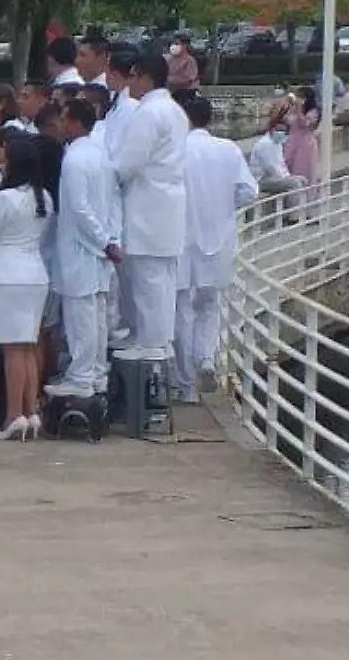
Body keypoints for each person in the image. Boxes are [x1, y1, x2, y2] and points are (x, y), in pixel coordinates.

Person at [173, 96, 257, 402]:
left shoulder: (175, 151)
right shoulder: (228, 150)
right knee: (209, 304)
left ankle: (185, 385)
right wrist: (224, 205)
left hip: (181, 238)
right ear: (210, 119)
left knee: (181, 309)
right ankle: (206, 358)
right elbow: (249, 191)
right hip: (219, 237)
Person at [110, 53, 188, 354]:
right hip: (167, 203)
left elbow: (129, 163)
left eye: (132, 77)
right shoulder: (174, 110)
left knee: (148, 278)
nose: (130, 83)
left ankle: (151, 341)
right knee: (161, 278)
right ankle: (152, 337)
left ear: (143, 77)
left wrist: (105, 174)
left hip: (147, 204)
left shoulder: (148, 112)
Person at [0, 135, 52, 440]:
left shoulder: (4, 198)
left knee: (12, 349)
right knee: (27, 346)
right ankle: (31, 411)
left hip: (8, 274)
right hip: (35, 274)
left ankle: (13, 415)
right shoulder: (45, 197)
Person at [51, 100, 119, 398]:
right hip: (100, 248)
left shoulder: (75, 159)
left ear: (76, 122)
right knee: (96, 317)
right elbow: (112, 201)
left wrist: (104, 241)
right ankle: (96, 372)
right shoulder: (101, 155)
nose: (60, 124)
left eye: (64, 118)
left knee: (82, 318)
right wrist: (111, 240)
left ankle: (81, 376)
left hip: (83, 249)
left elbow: (79, 209)